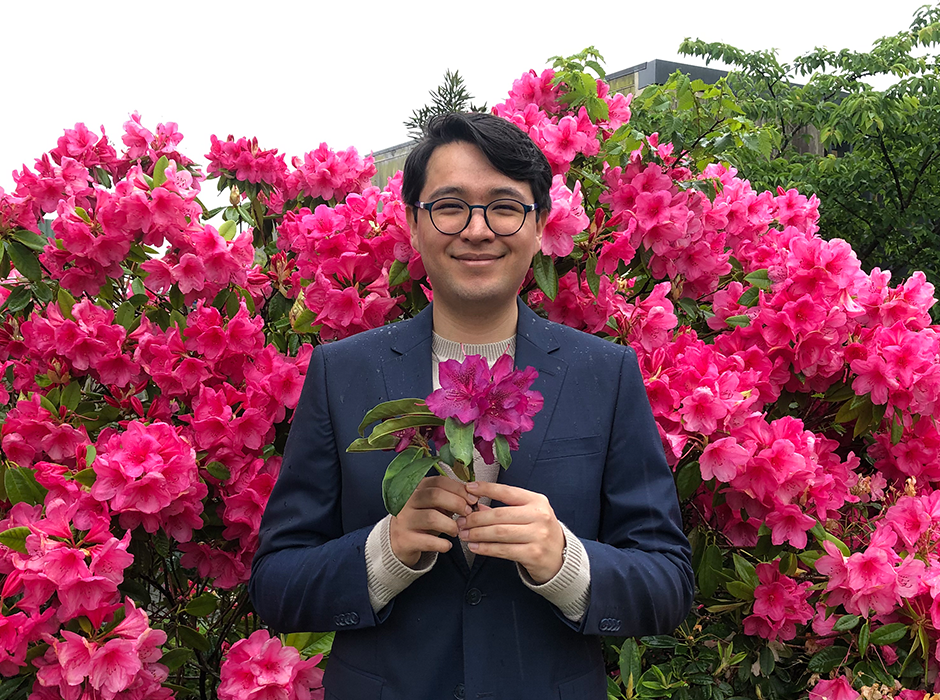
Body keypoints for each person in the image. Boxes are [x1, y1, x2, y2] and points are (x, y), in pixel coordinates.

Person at [250, 113, 694, 700]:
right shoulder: (344, 373)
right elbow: (276, 583)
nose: (478, 230)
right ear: (413, 224)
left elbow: (668, 583)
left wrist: (566, 563)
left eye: (505, 207)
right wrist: (384, 552)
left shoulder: (604, 375)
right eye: (450, 205)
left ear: (538, 228)